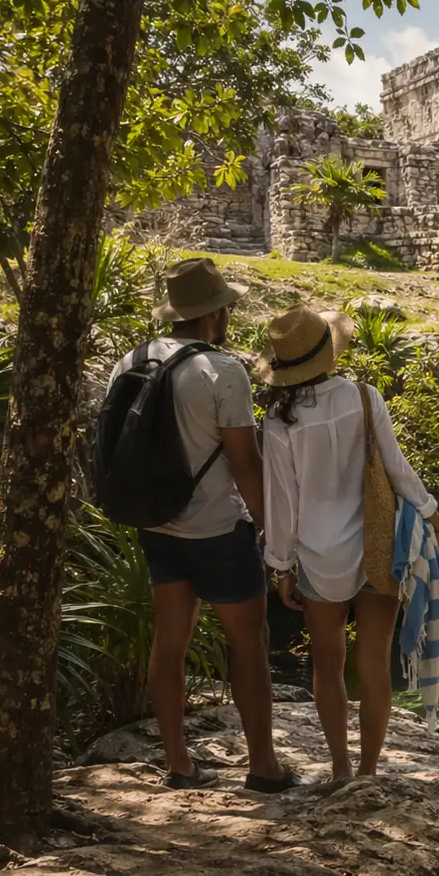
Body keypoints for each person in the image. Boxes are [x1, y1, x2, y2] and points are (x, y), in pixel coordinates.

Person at [111, 258, 297, 791]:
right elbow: (244, 461)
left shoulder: (135, 358)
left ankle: (178, 763)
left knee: (169, 644)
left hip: (157, 525)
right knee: (250, 643)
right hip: (218, 531)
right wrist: (271, 531)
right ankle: (263, 766)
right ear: (214, 313)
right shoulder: (222, 370)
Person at [259, 304, 439, 781]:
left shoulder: (279, 424)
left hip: (318, 555)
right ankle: (368, 772)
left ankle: (340, 768)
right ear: (328, 352)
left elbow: (283, 503)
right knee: (374, 665)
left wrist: (282, 566)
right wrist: (431, 512)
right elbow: (396, 468)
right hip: (377, 545)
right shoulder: (365, 398)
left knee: (327, 665)